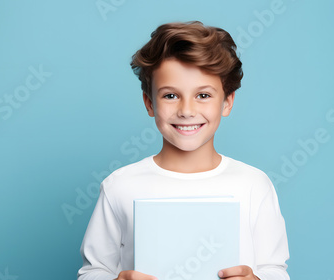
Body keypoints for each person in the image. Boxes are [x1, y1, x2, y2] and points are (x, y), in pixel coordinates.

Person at [77, 21, 289, 280]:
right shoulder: (119, 186)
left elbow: (274, 269)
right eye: (170, 96)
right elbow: (93, 271)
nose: (187, 111)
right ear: (149, 102)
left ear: (227, 102)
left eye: (203, 95)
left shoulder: (254, 185)